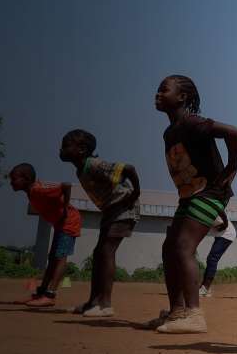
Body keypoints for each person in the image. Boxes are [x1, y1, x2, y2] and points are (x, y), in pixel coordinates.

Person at [151, 74, 237, 333]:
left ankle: (194, 315)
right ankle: (177, 312)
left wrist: (232, 165)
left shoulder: (192, 123)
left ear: (182, 97)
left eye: (163, 89)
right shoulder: (169, 132)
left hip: (211, 191)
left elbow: (232, 132)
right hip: (190, 195)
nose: (157, 93)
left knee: (183, 246)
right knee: (170, 249)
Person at [59, 129, 141, 317]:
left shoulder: (94, 165)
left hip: (124, 208)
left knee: (106, 252)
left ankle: (104, 304)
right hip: (111, 211)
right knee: (98, 254)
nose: (61, 149)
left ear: (81, 149)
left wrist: (136, 192)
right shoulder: (81, 169)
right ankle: (92, 302)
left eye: (65, 145)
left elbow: (129, 169)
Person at [9, 163, 81, 307]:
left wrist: (66, 208)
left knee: (60, 257)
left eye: (14, 179)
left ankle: (50, 295)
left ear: (26, 178)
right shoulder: (32, 192)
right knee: (52, 258)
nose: (11, 182)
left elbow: (66, 186)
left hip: (69, 222)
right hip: (60, 224)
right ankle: (41, 293)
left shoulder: (38, 190)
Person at [200, 212, 236, 298]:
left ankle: (205, 288)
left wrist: (225, 223)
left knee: (212, 259)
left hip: (227, 234)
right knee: (211, 259)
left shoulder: (207, 202)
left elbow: (220, 209)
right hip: (221, 234)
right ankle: (205, 288)